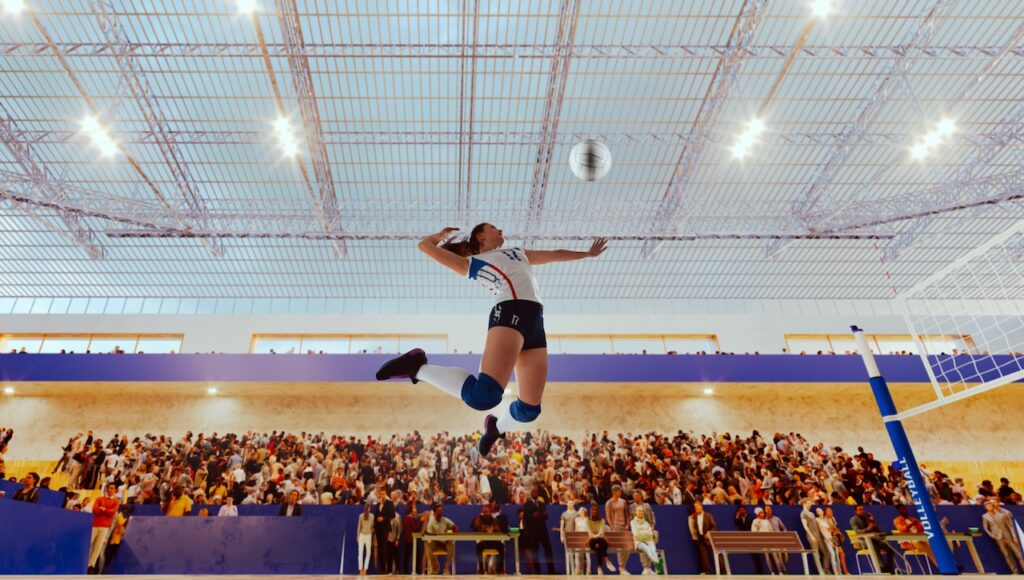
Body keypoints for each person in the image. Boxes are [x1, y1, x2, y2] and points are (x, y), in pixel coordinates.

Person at [376, 224, 607, 456]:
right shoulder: (476, 262)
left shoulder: (519, 252)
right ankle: (417, 367)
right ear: (481, 235)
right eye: (495, 227)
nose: (502, 230)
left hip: (535, 322)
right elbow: (424, 247)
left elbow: (556, 255)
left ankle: (496, 428)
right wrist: (436, 237)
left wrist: (587, 254)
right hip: (510, 312)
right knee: (483, 396)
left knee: (529, 410)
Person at [849, 504, 896, 573]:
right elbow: (858, 532)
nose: (862, 511)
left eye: (863, 509)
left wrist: (873, 521)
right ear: (856, 511)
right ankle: (882, 568)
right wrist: (869, 528)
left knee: (890, 547)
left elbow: (878, 530)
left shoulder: (867, 518)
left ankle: (889, 567)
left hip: (875, 539)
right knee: (875, 546)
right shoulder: (853, 520)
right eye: (860, 509)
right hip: (864, 541)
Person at [983, 499, 1024, 573]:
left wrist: (1014, 536)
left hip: (1008, 537)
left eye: (992, 504)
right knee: (1007, 555)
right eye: (988, 505)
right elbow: (986, 528)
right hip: (998, 538)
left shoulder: (1004, 513)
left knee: (1019, 554)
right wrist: (992, 536)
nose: (991, 505)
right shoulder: (985, 516)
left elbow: (1010, 526)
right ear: (985, 507)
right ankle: (1014, 571)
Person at [88, 483, 120, 573]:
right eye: (109, 488)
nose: (110, 490)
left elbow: (112, 512)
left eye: (112, 488)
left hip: (105, 527)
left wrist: (104, 509)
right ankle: (85, 562)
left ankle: (91, 565)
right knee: (89, 544)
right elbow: (95, 510)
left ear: (115, 490)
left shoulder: (116, 501)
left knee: (98, 548)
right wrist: (105, 511)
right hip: (95, 524)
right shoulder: (99, 499)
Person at [425, 504, 458, 575]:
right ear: (434, 512)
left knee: (451, 545)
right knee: (429, 547)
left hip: (446, 542)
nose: (441, 512)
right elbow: (429, 537)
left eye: (441, 510)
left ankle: (446, 568)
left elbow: (455, 527)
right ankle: (435, 567)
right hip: (436, 543)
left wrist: (452, 536)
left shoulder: (445, 520)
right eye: (439, 510)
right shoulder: (431, 523)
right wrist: (434, 540)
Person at [605, 484, 630, 573]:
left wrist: (627, 524)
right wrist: (613, 527)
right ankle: (622, 567)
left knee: (628, 547)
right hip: (616, 526)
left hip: (624, 526)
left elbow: (627, 514)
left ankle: (622, 566)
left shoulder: (623, 501)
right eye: (619, 490)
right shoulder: (609, 502)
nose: (620, 492)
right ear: (614, 492)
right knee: (619, 548)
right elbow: (608, 517)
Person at [472, 504, 504, 574]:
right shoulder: (479, 520)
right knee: (478, 546)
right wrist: (482, 530)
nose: (486, 513)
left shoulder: (495, 520)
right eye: (484, 512)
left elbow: (499, 531)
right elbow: (475, 527)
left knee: (501, 546)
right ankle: (481, 568)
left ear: (490, 512)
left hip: (494, 542)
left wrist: (497, 530)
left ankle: (500, 568)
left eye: (487, 512)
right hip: (484, 542)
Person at [800, 499, 830, 574]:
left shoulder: (812, 513)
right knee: (816, 554)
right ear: (805, 503)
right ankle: (821, 571)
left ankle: (825, 569)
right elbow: (805, 526)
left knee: (826, 553)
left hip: (818, 535)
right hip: (812, 536)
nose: (811, 505)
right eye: (809, 503)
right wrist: (811, 536)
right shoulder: (803, 513)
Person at [586, 504, 617, 574]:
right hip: (592, 542)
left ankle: (599, 568)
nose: (594, 512)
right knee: (599, 541)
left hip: (599, 542)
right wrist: (599, 536)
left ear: (598, 512)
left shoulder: (602, 520)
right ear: (590, 511)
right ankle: (607, 560)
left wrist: (598, 536)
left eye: (596, 510)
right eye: (593, 510)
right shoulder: (587, 521)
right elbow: (590, 534)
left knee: (599, 545)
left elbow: (601, 532)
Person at [688, 502, 716, 574]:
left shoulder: (708, 515)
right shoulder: (695, 517)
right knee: (704, 557)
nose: (696, 508)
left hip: (709, 539)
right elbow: (695, 528)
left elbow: (714, 526)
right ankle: (707, 572)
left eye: (697, 507)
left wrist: (709, 533)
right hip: (701, 539)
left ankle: (723, 571)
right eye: (695, 507)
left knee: (716, 555)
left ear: (701, 506)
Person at [631, 506, 659, 575]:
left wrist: (643, 534)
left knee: (652, 547)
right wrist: (645, 534)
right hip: (638, 542)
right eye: (639, 511)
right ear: (635, 512)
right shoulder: (633, 522)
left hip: (648, 541)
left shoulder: (646, 523)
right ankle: (653, 563)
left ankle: (649, 568)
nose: (641, 512)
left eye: (642, 511)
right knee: (645, 547)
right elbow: (636, 534)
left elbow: (650, 534)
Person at [357, 503, 374, 575]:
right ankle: (362, 569)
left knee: (366, 552)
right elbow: (359, 527)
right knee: (362, 552)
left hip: (367, 535)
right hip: (363, 535)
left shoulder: (372, 516)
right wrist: (357, 537)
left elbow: (373, 527)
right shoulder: (361, 516)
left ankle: (364, 569)